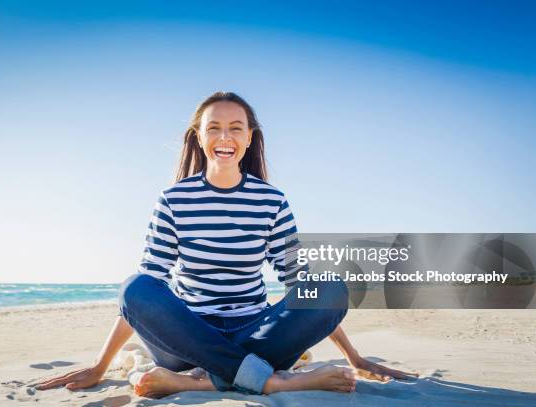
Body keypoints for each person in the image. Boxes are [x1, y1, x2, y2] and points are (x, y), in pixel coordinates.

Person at [35, 92, 417, 398]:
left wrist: (354, 355)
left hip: (257, 332)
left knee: (331, 289)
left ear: (249, 137)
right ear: (199, 137)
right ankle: (269, 382)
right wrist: (101, 367)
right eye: (213, 128)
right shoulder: (173, 199)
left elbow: (300, 285)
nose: (224, 137)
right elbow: (146, 292)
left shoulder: (271, 201)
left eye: (236, 128)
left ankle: (205, 380)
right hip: (184, 340)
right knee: (135, 287)